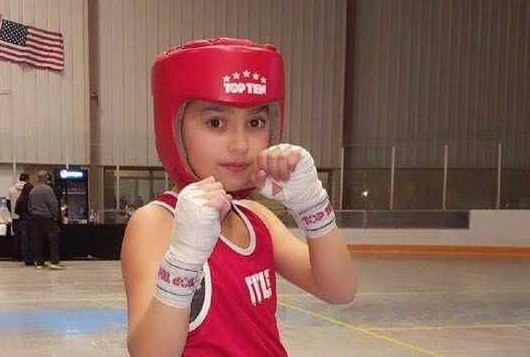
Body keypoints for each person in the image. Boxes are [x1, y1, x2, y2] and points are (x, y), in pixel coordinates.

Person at [121, 38, 356, 356]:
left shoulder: (258, 218)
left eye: (255, 123)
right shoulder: (156, 222)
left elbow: (339, 290)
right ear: (174, 128)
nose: (240, 144)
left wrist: (313, 206)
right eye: (215, 123)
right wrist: (185, 258)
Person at [28, 171, 63, 270]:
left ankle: (39, 263)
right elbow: (53, 204)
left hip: (35, 218)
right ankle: (54, 262)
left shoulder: (33, 190)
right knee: (54, 238)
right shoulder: (48, 190)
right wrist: (55, 216)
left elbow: (29, 206)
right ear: (45, 178)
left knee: (37, 240)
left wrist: (33, 213)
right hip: (47, 217)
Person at [7, 173, 29, 261]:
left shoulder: (11, 190)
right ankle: (25, 256)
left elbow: (8, 203)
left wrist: (12, 212)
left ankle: (16, 256)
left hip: (15, 217)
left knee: (16, 236)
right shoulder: (28, 189)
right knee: (25, 236)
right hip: (25, 217)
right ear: (27, 179)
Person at [15, 181, 35, 265]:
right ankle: (32, 257)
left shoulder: (20, 199)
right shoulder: (33, 199)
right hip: (32, 220)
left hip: (22, 220)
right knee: (33, 239)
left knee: (24, 240)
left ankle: (26, 258)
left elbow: (16, 211)